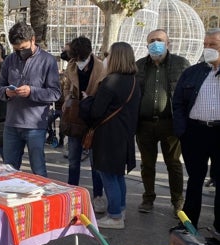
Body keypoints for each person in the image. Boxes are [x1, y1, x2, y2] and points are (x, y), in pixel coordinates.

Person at [0, 21, 61, 245]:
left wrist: (31, 91)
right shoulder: (10, 59)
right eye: (16, 49)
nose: (20, 52)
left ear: (33, 40)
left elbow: (55, 92)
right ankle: (7, 219)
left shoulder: (48, 61)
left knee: (39, 173)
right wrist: (8, 93)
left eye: (23, 48)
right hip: (12, 124)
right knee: (8, 173)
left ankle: (40, 225)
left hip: (35, 125)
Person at [81, 42, 141, 229]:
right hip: (124, 135)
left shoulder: (111, 81)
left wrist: (86, 100)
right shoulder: (134, 80)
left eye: (108, 55)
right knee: (117, 175)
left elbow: (97, 111)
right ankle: (120, 209)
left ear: (115, 58)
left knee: (108, 175)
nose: (105, 59)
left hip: (108, 136)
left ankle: (115, 216)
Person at [136, 29, 190, 215]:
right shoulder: (140, 66)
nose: (155, 43)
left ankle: (177, 202)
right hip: (144, 124)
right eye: (152, 40)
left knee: (173, 164)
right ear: (146, 44)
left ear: (168, 43)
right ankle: (148, 198)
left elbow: (187, 95)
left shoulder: (180, 64)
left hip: (170, 123)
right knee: (147, 164)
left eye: (159, 40)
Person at [172, 28, 220, 232]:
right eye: (206, 45)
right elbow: (178, 102)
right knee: (195, 179)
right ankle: (188, 224)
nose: (208, 49)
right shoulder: (193, 72)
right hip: (195, 132)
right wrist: (182, 129)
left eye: (213, 45)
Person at [61, 36, 105, 199]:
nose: (79, 61)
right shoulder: (72, 65)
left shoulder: (100, 68)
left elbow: (104, 94)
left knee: (96, 163)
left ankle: (98, 196)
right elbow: (66, 85)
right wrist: (67, 98)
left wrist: (90, 99)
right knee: (73, 160)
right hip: (75, 118)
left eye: (82, 58)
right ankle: (72, 193)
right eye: (76, 58)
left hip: (93, 119)